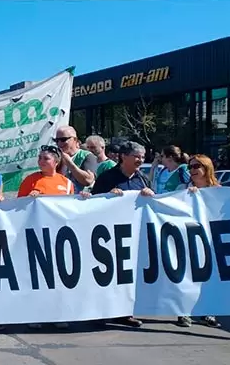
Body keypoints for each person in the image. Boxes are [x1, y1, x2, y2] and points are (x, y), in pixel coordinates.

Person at [18, 145, 91, 330]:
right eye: (40, 158)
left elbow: (72, 208)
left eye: (46, 158)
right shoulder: (31, 180)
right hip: (36, 234)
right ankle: (36, 314)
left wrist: (82, 197)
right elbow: (17, 207)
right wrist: (28, 198)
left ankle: (58, 313)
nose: (41, 161)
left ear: (56, 162)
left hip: (59, 236)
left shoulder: (66, 183)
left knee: (58, 276)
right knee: (38, 277)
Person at [175, 154, 230, 329]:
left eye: (195, 167)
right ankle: (183, 312)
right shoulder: (183, 188)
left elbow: (229, 212)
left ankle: (208, 311)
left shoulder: (220, 191)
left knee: (210, 277)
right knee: (187, 276)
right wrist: (184, 195)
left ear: (206, 168)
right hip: (188, 239)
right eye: (189, 167)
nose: (191, 170)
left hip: (211, 241)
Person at [89, 141, 154, 328]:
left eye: (142, 157)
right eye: (137, 156)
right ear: (123, 157)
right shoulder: (107, 178)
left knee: (127, 276)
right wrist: (108, 196)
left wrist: (150, 195)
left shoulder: (142, 179)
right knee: (106, 274)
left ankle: (124, 312)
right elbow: (92, 204)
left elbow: (152, 205)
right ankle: (99, 312)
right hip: (108, 235)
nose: (140, 160)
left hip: (132, 235)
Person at [54, 126, 98, 191]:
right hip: (60, 198)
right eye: (56, 140)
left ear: (75, 139)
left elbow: (88, 181)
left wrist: (70, 163)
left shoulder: (87, 156)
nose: (59, 143)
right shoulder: (56, 156)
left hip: (79, 199)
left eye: (63, 139)